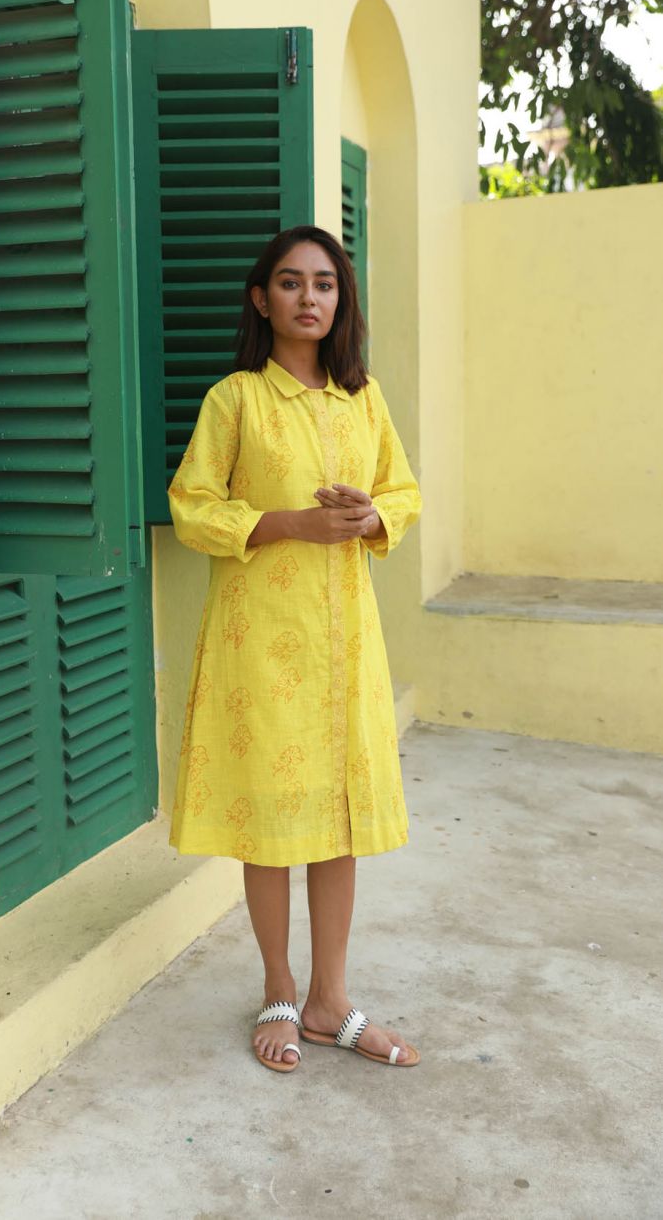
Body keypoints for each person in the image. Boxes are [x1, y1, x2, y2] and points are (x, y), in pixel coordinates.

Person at [167, 224, 422, 1073]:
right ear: (261, 298)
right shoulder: (234, 401)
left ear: (340, 300)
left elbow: (403, 489)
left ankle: (330, 1000)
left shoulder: (363, 399)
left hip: (346, 644)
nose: (309, 297)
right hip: (261, 648)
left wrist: (372, 515)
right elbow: (193, 507)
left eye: (324, 283)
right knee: (273, 824)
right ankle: (279, 989)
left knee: (338, 822)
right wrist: (296, 524)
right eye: (290, 282)